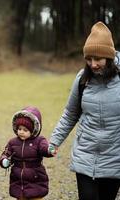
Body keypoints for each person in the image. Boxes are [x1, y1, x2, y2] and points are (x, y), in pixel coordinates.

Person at [49, 21, 120, 200]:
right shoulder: (82, 80)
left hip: (114, 158)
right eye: (89, 59)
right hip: (85, 155)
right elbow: (70, 114)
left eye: (98, 59)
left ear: (110, 58)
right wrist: (54, 142)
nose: (93, 64)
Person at [0, 106, 53, 200]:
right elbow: (6, 153)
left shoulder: (39, 141)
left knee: (35, 198)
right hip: (18, 180)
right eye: (19, 129)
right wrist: (4, 160)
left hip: (36, 178)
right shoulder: (13, 142)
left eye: (25, 130)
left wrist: (50, 150)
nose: (21, 132)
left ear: (32, 130)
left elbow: (44, 149)